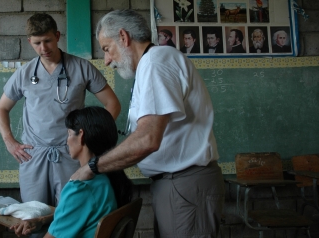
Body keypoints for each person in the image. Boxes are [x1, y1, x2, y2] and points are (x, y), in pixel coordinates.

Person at [71, 9, 225, 237]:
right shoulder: (153, 63)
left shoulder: (155, 63)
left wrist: (91, 167)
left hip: (183, 184)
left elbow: (147, 139)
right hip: (177, 185)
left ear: (123, 37)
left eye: (107, 49)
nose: (107, 60)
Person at [0, 13, 121, 209]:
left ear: (57, 36)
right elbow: (2, 108)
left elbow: (113, 104)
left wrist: (88, 138)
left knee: (70, 213)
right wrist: (10, 142)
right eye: (37, 43)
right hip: (33, 156)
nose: (43, 48)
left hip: (70, 154)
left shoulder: (81, 68)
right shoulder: (24, 74)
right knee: (33, 216)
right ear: (29, 42)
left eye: (48, 41)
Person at [10, 106, 132, 237]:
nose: (66, 141)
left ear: (81, 136)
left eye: (68, 134)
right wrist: (42, 220)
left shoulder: (79, 188)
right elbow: (77, 212)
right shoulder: (107, 178)